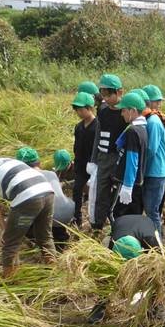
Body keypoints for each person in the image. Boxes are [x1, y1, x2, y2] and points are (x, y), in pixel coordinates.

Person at [88, 74, 126, 232]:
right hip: (103, 158)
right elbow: (98, 135)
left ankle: (117, 225)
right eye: (102, 94)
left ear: (119, 92)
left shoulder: (125, 112)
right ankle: (98, 224)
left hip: (118, 158)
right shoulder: (102, 111)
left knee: (118, 194)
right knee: (101, 192)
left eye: (108, 94)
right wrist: (93, 159)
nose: (105, 98)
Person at [15, 146, 74, 246]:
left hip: (50, 215)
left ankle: (36, 238)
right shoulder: (51, 174)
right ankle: (59, 235)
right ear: (38, 162)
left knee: (23, 217)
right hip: (67, 213)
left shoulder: (24, 178)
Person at [112, 92, 149, 219]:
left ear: (132, 111)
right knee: (134, 216)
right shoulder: (142, 128)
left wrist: (127, 186)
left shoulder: (133, 131)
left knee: (118, 215)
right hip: (138, 182)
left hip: (129, 183)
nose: (121, 114)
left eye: (123, 110)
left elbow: (132, 159)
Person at [143, 90, 165, 234]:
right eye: (157, 101)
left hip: (155, 172)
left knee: (151, 210)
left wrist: (138, 167)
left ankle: (157, 243)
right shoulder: (154, 119)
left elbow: (151, 150)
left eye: (159, 101)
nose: (159, 104)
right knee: (152, 210)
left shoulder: (153, 121)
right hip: (157, 170)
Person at [71, 91, 97, 226]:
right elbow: (76, 146)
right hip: (80, 165)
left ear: (89, 108)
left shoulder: (98, 126)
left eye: (81, 109)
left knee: (94, 193)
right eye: (77, 110)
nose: (79, 113)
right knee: (76, 191)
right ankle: (77, 218)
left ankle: (96, 220)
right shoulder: (79, 127)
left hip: (93, 166)